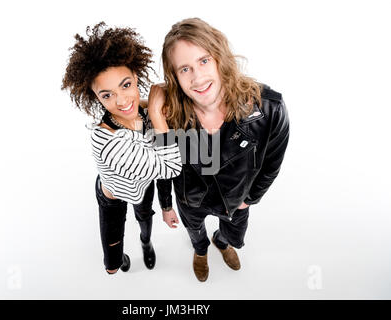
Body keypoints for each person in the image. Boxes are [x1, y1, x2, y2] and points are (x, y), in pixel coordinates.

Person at [157, 18, 290, 281]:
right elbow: (163, 166)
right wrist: (166, 204)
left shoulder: (269, 108)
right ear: (174, 77)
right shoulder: (168, 116)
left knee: (233, 237)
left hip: (236, 200)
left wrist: (248, 200)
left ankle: (222, 242)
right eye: (185, 69)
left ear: (219, 58)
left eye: (203, 61)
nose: (197, 77)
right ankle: (201, 250)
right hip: (190, 200)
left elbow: (272, 164)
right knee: (195, 233)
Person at [61, 22, 182, 275]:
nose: (122, 100)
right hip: (112, 197)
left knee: (144, 223)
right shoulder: (107, 142)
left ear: (136, 77)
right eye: (107, 95)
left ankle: (145, 243)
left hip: (142, 187)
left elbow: (158, 159)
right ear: (97, 98)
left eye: (126, 85)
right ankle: (120, 258)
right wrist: (158, 114)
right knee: (112, 268)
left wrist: (152, 106)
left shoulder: (143, 112)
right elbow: (170, 166)